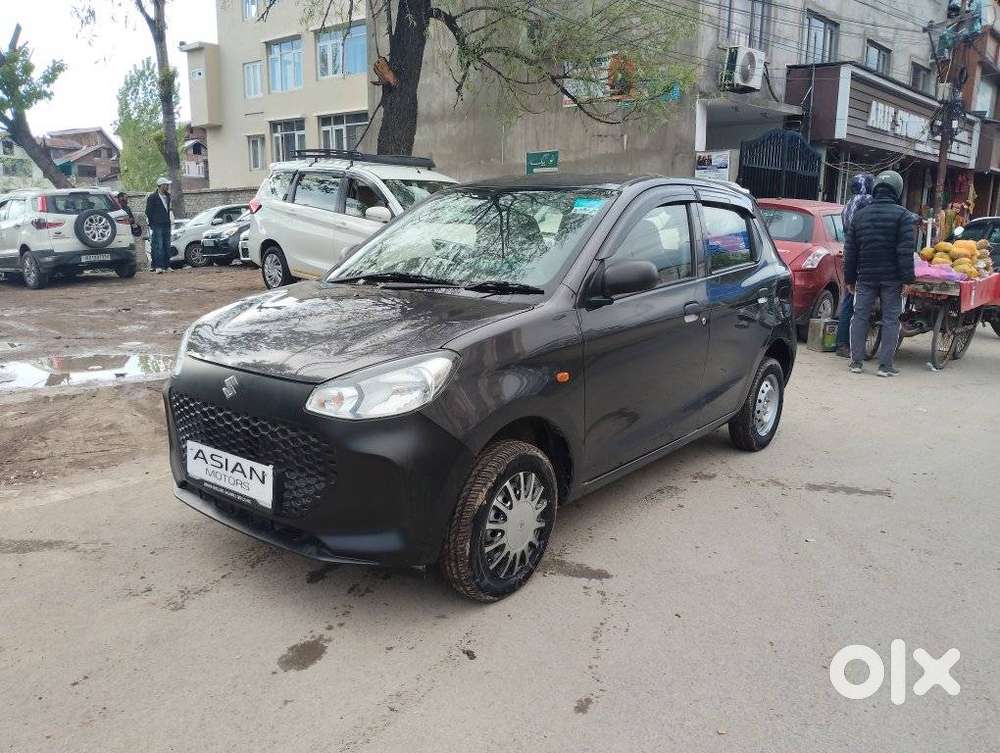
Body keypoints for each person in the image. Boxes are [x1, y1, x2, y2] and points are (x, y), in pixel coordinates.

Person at [845, 170, 915, 377]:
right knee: (891, 320)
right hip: (891, 279)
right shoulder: (903, 216)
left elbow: (851, 251)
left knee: (859, 317)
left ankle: (856, 362)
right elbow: (905, 251)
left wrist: (850, 278)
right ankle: (885, 366)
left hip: (865, 276)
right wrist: (908, 279)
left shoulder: (860, 216)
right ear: (897, 190)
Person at [835, 173, 874, 358]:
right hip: (865, 258)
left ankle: (842, 343)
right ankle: (849, 344)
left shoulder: (848, 204)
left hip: (849, 255)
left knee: (848, 300)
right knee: (861, 304)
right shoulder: (867, 201)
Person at [145, 177, 173, 274]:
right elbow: (148, 211)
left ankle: (167, 265)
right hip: (157, 224)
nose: (168, 186)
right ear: (161, 186)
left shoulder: (168, 196)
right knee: (158, 245)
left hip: (166, 223)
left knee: (167, 245)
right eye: (166, 185)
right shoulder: (152, 197)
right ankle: (158, 266)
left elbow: (168, 210)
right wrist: (152, 223)